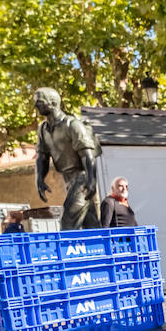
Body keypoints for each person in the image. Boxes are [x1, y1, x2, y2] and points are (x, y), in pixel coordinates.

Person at [34, 87, 103, 230]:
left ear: (52, 102)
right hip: (68, 178)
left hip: (82, 177)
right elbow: (42, 158)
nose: (36, 106)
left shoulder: (72, 125)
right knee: (90, 222)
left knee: (68, 221)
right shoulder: (43, 129)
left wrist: (91, 180)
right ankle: (102, 248)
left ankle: (67, 251)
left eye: (39, 102)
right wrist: (39, 179)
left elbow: (87, 155)